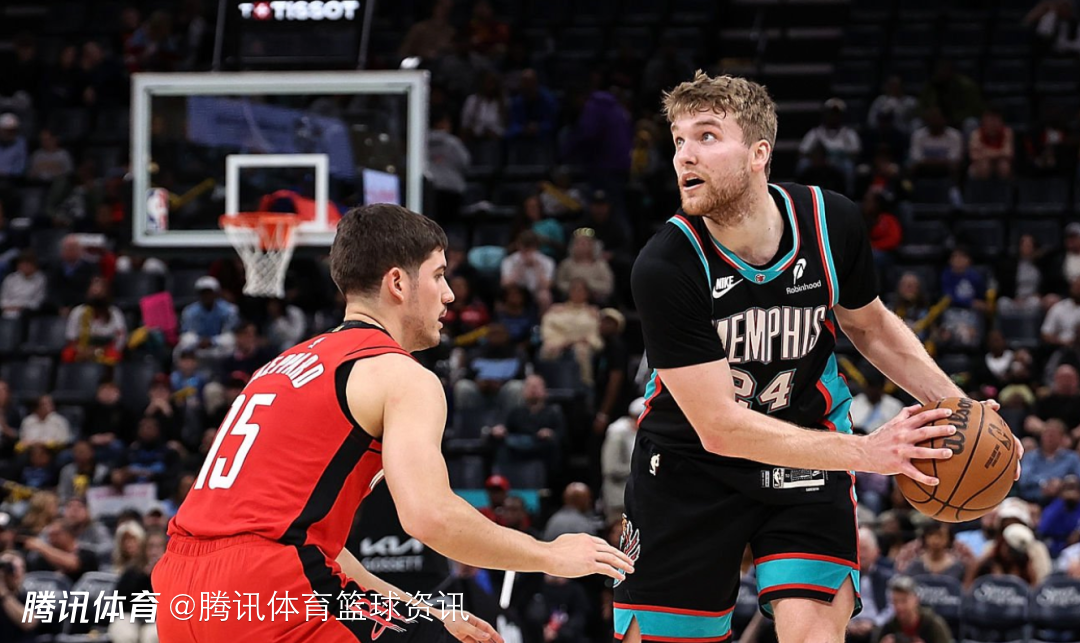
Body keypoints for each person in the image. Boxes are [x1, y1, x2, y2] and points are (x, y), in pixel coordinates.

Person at [618, 71, 1021, 643]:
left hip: (807, 451)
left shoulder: (831, 222)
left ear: (759, 153)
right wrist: (868, 452)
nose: (685, 154)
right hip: (689, 467)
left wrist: (961, 412)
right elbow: (719, 427)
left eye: (707, 136)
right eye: (679, 139)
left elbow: (871, 326)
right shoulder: (665, 266)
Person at [152, 204, 634, 643]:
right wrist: (550, 554)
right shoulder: (401, 375)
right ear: (398, 283)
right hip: (272, 586)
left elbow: (311, 544)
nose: (448, 294)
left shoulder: (279, 367)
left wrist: (424, 612)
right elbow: (430, 517)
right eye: (439, 275)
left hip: (181, 592)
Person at [873, 576, 953, 643]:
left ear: (916, 600)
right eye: (895, 601)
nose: (899, 606)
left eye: (904, 601)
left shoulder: (933, 626)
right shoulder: (889, 628)